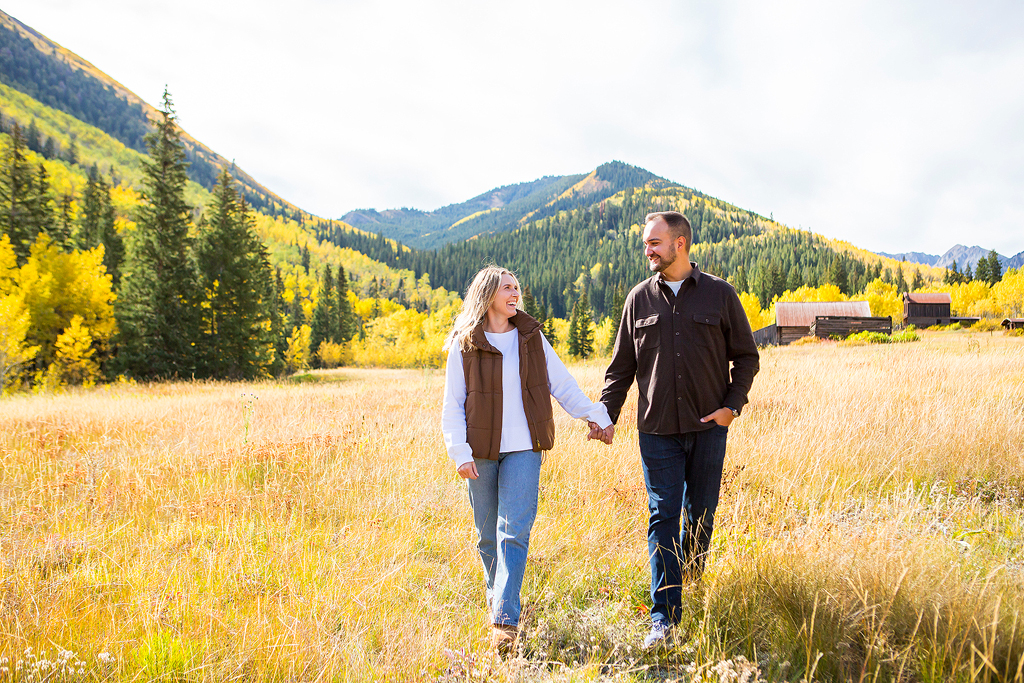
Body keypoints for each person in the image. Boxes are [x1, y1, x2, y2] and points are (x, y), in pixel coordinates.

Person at [596, 211, 759, 648]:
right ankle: (664, 618)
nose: (647, 250)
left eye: (654, 243)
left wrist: (731, 407)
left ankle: (693, 578)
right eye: (646, 244)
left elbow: (746, 358)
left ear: (680, 243)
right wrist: (606, 415)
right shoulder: (638, 300)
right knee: (662, 514)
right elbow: (621, 369)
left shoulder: (720, 295)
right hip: (657, 431)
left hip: (709, 428)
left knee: (700, 514)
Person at [441, 265, 612, 655]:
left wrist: (595, 415)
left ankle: (505, 622)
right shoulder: (464, 344)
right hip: (479, 453)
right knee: (487, 536)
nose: (516, 293)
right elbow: (452, 406)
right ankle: (498, 603)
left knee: (512, 531)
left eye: (517, 287)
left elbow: (561, 383)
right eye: (507, 288)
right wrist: (459, 453)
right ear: (488, 295)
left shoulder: (531, 338)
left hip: (524, 448)